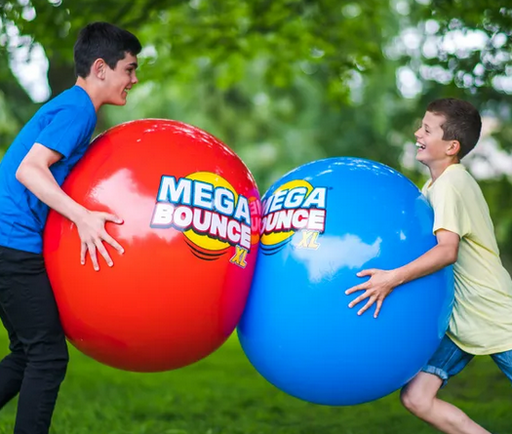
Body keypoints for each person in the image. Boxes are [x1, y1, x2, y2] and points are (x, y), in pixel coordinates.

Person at [0, 22, 141, 433]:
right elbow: (30, 170)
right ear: (100, 68)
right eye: (129, 69)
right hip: (12, 243)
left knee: (27, 353)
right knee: (46, 357)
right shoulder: (79, 109)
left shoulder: (72, 106)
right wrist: (82, 216)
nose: (134, 80)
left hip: (8, 241)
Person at [345, 98, 512, 433]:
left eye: (427, 129)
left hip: (494, 315)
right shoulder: (436, 186)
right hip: (460, 321)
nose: (417, 133)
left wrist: (390, 279)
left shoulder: (452, 184)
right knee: (417, 398)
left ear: (451, 146)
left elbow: (447, 251)